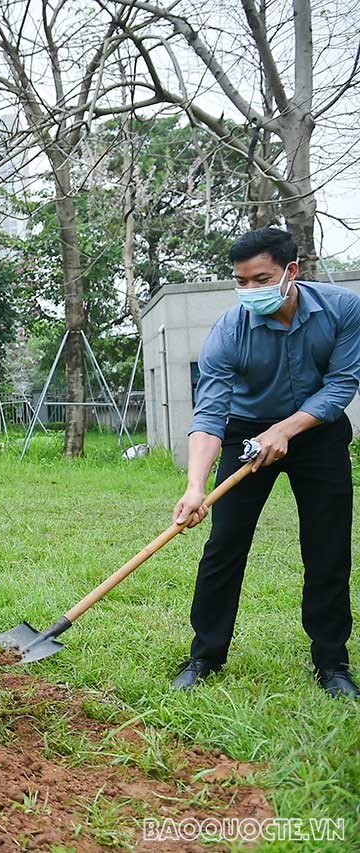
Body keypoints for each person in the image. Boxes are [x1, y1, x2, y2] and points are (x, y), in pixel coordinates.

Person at [171, 227, 359, 700]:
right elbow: (210, 415)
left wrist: (286, 430)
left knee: (327, 548)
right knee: (224, 545)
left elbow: (341, 384)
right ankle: (205, 655)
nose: (249, 291)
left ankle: (332, 663)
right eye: (242, 281)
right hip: (245, 432)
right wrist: (196, 487)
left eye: (261, 279)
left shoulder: (342, 310)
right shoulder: (229, 331)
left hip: (316, 433)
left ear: (290, 272)